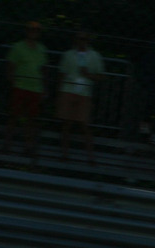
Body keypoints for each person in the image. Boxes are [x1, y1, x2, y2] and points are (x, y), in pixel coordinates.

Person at [56, 31, 105, 162]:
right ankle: (64, 154)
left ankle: (90, 156)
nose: (82, 41)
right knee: (67, 123)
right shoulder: (68, 55)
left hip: (84, 92)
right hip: (68, 89)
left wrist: (89, 75)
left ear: (88, 40)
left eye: (84, 39)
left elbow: (100, 76)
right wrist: (60, 93)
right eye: (79, 39)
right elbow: (62, 73)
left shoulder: (95, 56)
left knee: (85, 124)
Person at [3, 21, 48, 164]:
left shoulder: (42, 49)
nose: (33, 32)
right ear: (26, 31)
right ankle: (7, 144)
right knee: (14, 116)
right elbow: (10, 66)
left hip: (35, 88)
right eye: (31, 29)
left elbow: (43, 70)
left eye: (36, 30)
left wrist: (44, 88)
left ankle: (28, 147)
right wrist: (13, 83)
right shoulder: (18, 47)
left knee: (32, 119)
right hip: (20, 86)